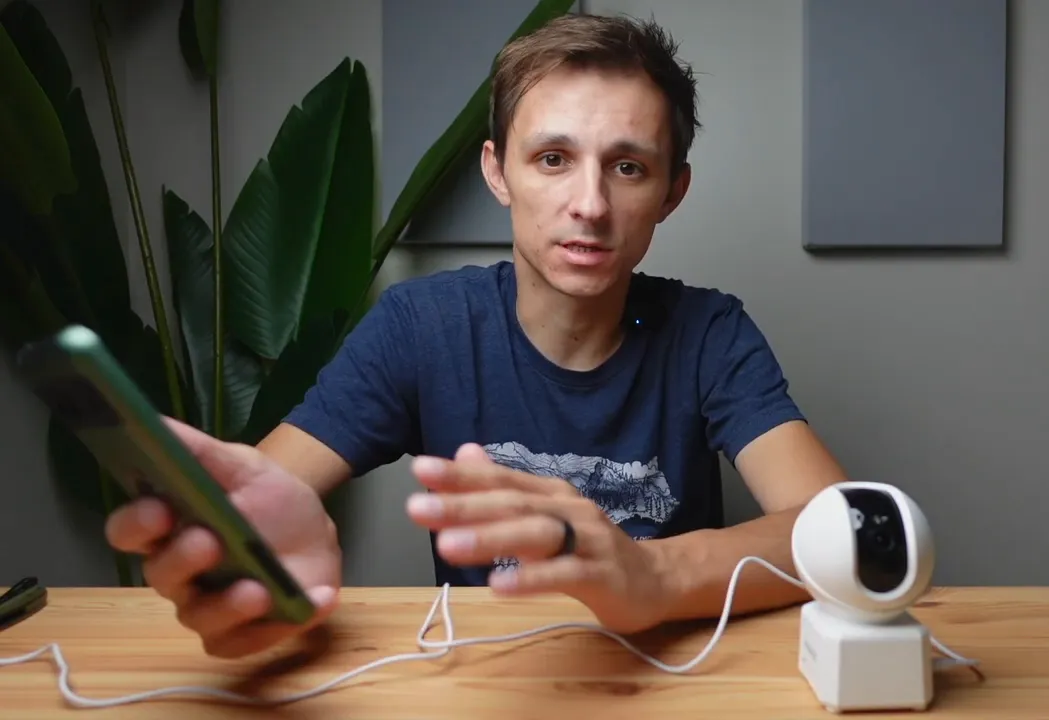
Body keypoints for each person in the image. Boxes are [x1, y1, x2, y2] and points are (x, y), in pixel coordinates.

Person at [103, 13, 849, 660]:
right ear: (498, 172)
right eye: (552, 159)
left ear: (671, 193)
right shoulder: (421, 327)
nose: (589, 204)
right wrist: (251, 560)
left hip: (671, 678)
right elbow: (265, 502)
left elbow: (843, 530)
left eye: (627, 166)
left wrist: (651, 578)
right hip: (488, 679)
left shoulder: (709, 333)